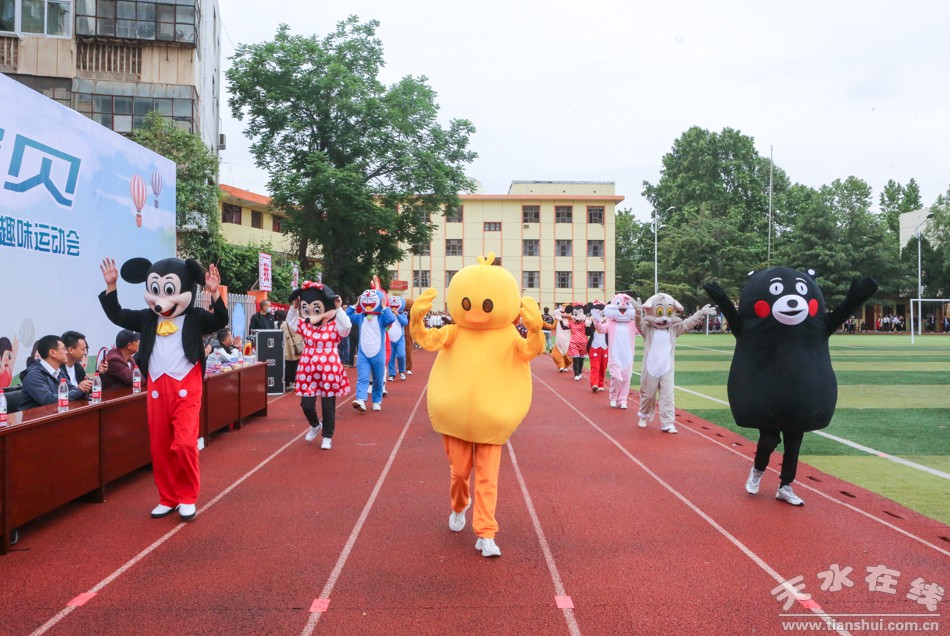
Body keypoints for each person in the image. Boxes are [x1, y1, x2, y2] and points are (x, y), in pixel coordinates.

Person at [99, 256, 228, 523]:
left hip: (186, 385)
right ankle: (168, 497)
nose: (161, 300)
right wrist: (111, 286)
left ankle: (187, 496)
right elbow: (117, 314)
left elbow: (219, 321)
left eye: (168, 291)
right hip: (157, 387)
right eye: (156, 291)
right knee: (159, 446)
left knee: (184, 444)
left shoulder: (195, 317)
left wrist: (215, 293)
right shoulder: (148, 318)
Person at [291, 281, 351, 449]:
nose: (311, 314)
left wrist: (338, 309)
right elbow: (291, 323)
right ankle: (315, 425)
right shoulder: (305, 326)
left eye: (316, 309)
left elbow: (346, 326)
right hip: (308, 367)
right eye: (306, 309)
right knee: (306, 404)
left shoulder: (334, 326)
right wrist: (294, 308)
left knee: (328, 404)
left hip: (328, 367)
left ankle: (327, 435)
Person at [19, 334, 90, 410]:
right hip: (35, 416)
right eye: (64, 349)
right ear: (52, 353)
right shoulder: (33, 375)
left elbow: (71, 389)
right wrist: (79, 390)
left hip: (55, 413)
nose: (67, 352)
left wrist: (85, 388)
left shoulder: (59, 371)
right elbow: (48, 400)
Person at [281, 305, 304, 390]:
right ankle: (293, 382)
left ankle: (286, 383)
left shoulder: (284, 323)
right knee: (296, 365)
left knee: (288, 365)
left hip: (287, 347)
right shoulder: (300, 321)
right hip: (297, 346)